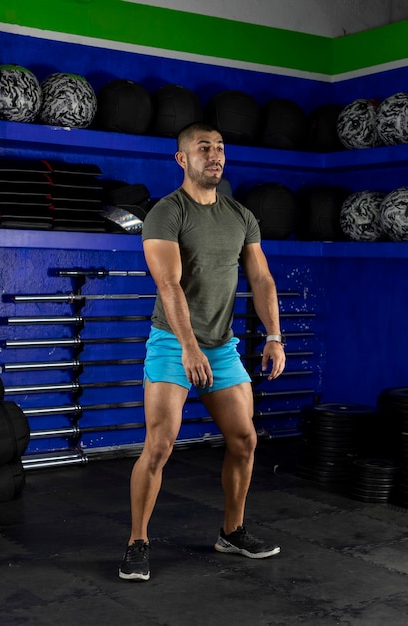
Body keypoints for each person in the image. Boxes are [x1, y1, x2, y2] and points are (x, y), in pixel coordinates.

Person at [119, 121, 286, 582]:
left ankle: (232, 531)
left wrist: (274, 335)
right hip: (174, 342)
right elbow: (168, 284)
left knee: (245, 440)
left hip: (222, 346)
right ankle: (137, 540)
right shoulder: (166, 213)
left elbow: (262, 279)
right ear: (182, 159)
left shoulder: (240, 215)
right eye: (203, 148)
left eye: (220, 148)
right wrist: (189, 347)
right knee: (159, 445)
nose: (214, 155)